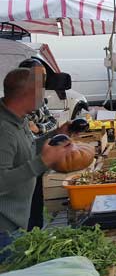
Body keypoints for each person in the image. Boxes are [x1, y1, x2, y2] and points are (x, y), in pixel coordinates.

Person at [1, 69, 72, 248]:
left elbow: (28, 148)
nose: (44, 96)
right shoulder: (3, 129)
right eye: (41, 90)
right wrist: (41, 163)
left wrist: (56, 134)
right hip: (4, 229)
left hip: (17, 221)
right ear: (28, 94)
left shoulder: (19, 118)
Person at [18, 59, 63, 230]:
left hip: (39, 155)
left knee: (37, 199)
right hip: (24, 159)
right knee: (25, 201)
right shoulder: (16, 101)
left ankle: (35, 231)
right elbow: (22, 132)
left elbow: (52, 122)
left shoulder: (40, 99)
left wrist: (38, 127)